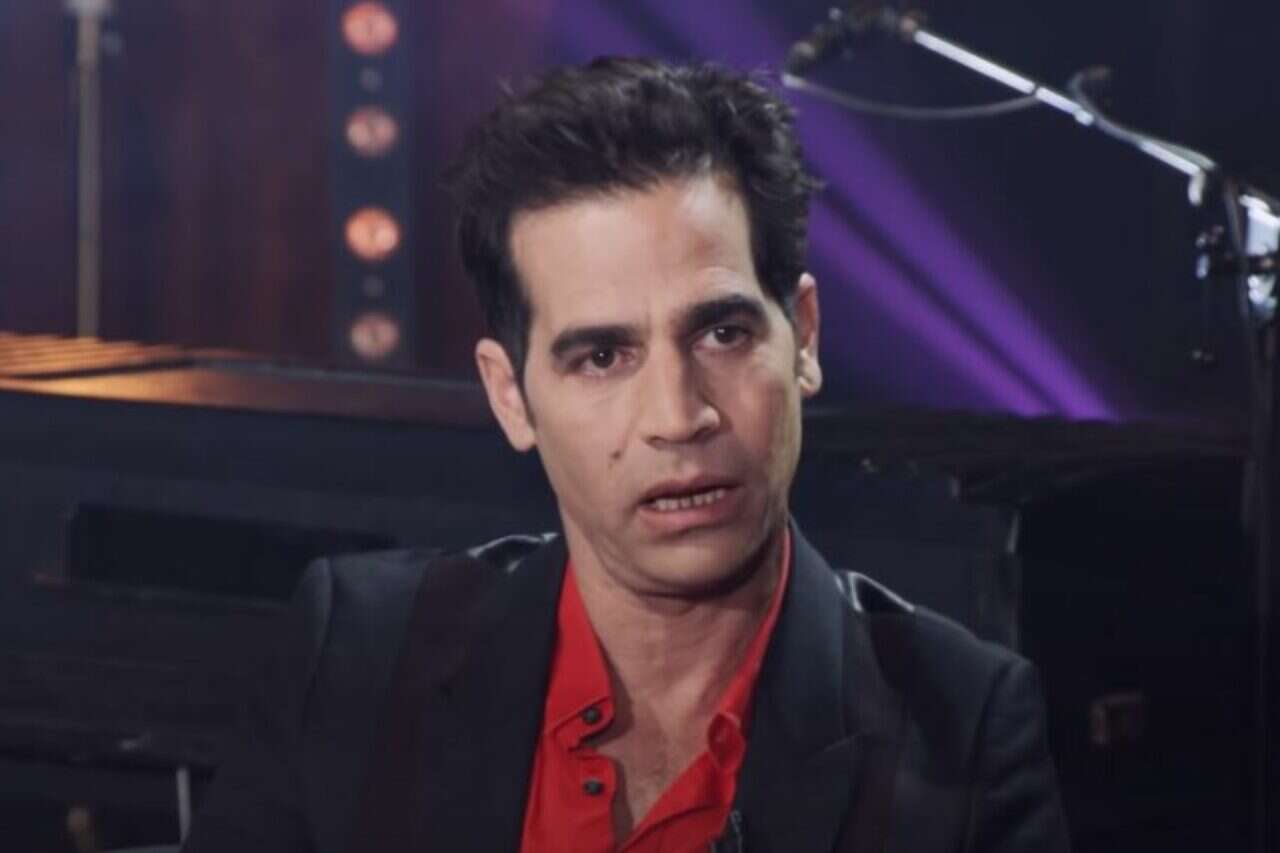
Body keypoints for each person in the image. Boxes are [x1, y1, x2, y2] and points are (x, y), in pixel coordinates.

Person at [183, 57, 1071, 852]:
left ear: (802, 337)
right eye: (603, 356)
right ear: (510, 395)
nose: (678, 416)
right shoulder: (358, 656)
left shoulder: (963, 733)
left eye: (722, 333)